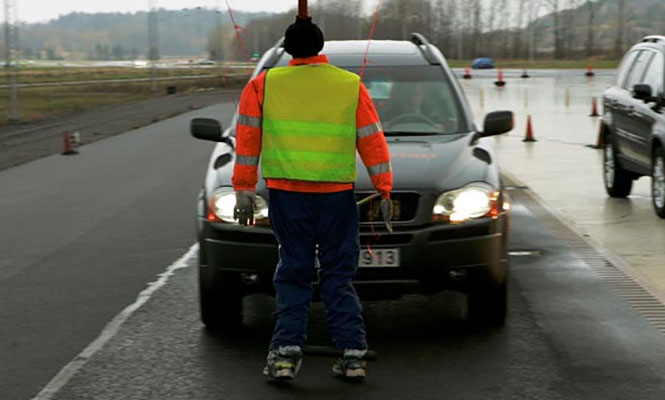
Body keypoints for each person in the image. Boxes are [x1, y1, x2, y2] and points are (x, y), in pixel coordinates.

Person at [231, 16, 393, 381]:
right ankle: (353, 354)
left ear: (287, 50)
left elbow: (247, 141)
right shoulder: (349, 85)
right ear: (321, 48)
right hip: (336, 197)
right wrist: (384, 187)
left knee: (293, 271)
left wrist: (243, 188)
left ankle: (285, 355)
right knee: (338, 275)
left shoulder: (263, 85)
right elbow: (372, 139)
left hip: (288, 196)